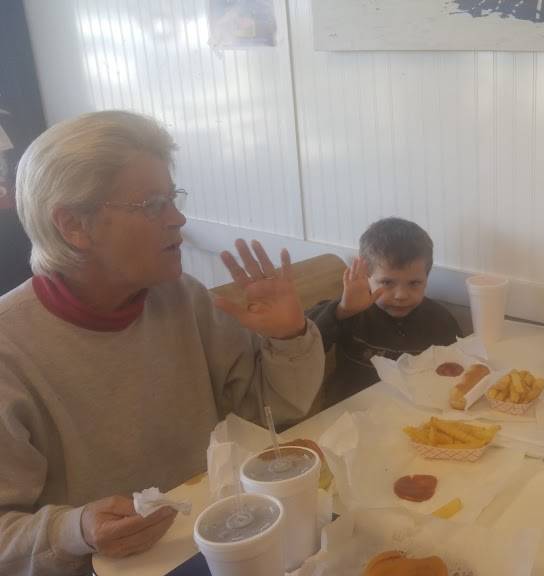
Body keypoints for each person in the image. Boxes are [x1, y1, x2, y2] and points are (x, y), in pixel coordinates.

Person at [0, 110, 325, 575]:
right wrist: (75, 530)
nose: (178, 219)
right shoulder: (10, 350)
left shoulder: (182, 298)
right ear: (73, 225)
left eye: (172, 198)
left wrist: (288, 337)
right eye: (152, 205)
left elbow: (271, 414)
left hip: (216, 541)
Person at [308, 217, 462, 406]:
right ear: (366, 276)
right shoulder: (350, 311)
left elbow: (458, 370)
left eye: (414, 283)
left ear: (426, 278)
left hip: (416, 411)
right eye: (387, 282)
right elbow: (300, 344)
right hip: (348, 412)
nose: (401, 295)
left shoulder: (440, 320)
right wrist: (341, 311)